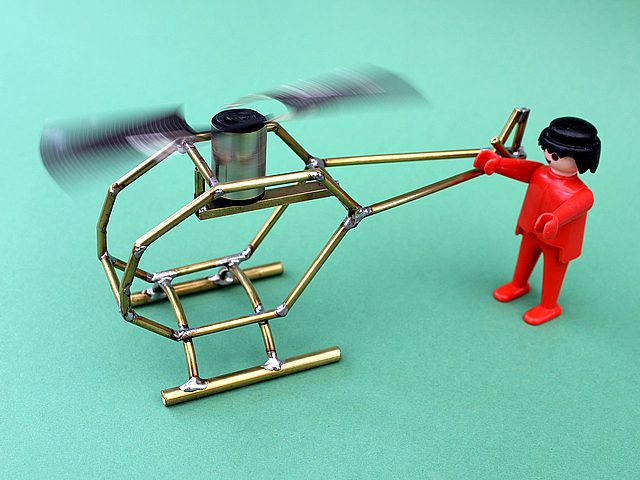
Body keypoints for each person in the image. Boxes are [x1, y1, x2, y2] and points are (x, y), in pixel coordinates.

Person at [473, 116, 601, 325]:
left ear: (583, 159)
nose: (551, 156)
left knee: (553, 272)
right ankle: (518, 284)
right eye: (549, 150)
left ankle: (549, 305)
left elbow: (576, 206)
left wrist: (556, 219)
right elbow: (521, 169)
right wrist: (498, 164)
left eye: (558, 154)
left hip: (557, 241)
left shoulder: (582, 192)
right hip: (531, 230)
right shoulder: (540, 172)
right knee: (524, 259)